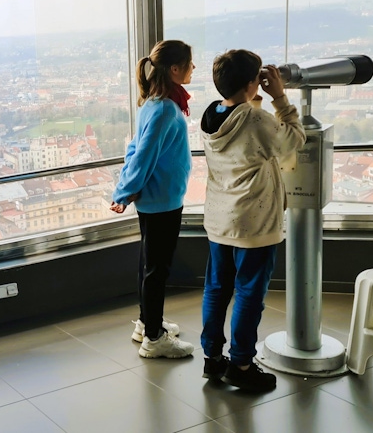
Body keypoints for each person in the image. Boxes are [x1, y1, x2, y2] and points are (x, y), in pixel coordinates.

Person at [199, 49, 306, 391]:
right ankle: (242, 364)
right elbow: (293, 140)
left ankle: (213, 359)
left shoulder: (211, 114)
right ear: (251, 82)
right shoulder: (256, 119)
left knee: (216, 290)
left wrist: (250, 101)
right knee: (248, 293)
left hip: (220, 219)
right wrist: (280, 98)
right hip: (254, 224)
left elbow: (246, 135)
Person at [110, 40, 196, 359]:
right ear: (175, 69)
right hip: (162, 201)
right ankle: (155, 339)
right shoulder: (163, 110)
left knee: (150, 264)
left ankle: (147, 324)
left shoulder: (154, 104)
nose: (193, 68)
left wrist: (126, 188)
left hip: (157, 198)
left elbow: (134, 149)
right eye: (190, 63)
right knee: (157, 269)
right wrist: (123, 191)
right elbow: (143, 155)